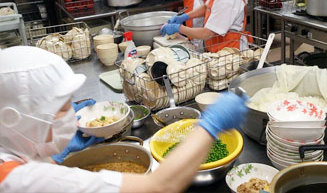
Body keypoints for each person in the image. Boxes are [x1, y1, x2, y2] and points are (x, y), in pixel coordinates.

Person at [0, 46, 248, 192]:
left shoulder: (13, 143)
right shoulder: (20, 181)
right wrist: (210, 125)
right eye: (62, 108)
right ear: (13, 118)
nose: (73, 116)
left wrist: (47, 150)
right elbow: (160, 187)